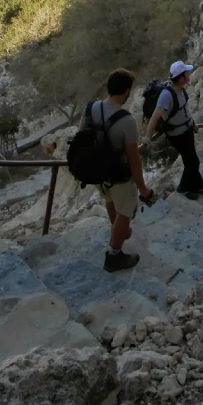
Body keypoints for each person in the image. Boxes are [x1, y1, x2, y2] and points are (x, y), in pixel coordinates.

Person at [80, 68, 155, 273]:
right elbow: (134, 159)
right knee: (125, 212)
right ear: (126, 91)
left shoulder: (90, 108)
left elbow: (81, 137)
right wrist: (142, 188)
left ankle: (117, 230)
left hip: (96, 170)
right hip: (119, 175)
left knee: (109, 199)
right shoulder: (127, 121)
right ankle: (114, 255)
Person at [145, 61, 203, 200]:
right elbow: (155, 116)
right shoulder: (167, 95)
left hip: (187, 129)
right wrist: (147, 136)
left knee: (192, 161)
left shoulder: (180, 88)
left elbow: (184, 110)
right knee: (192, 162)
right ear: (181, 77)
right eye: (187, 73)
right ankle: (183, 188)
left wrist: (192, 123)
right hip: (177, 135)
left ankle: (198, 186)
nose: (189, 74)